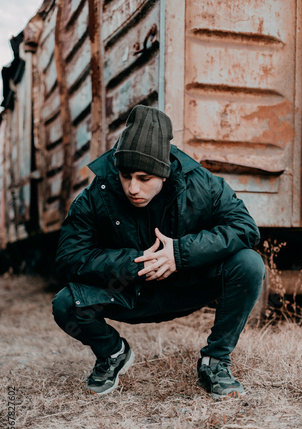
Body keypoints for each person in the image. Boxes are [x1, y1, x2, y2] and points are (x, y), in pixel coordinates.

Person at [52, 105, 265, 398]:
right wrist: (135, 263)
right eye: (126, 175)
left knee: (249, 264)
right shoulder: (98, 193)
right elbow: (69, 258)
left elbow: (245, 228)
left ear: (164, 173)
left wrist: (179, 255)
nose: (132, 188)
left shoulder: (201, 184)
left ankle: (215, 360)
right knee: (65, 304)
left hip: (187, 285)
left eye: (144, 178)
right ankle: (113, 353)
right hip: (130, 293)